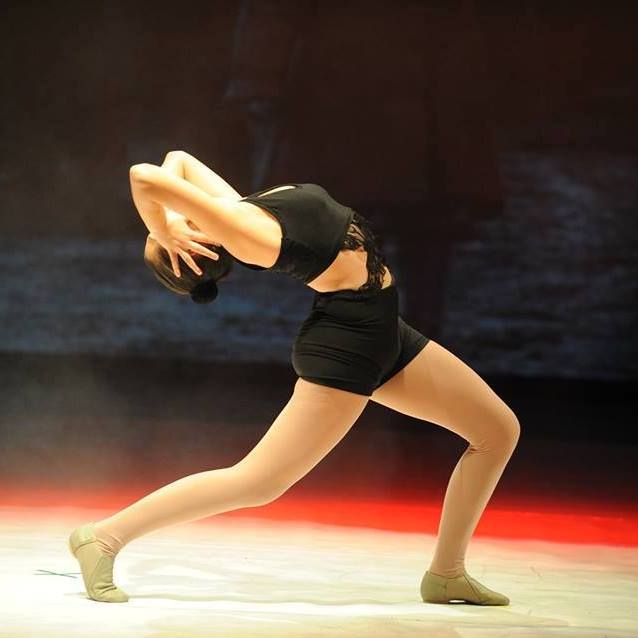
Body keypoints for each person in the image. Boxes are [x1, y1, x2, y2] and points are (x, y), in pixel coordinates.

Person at [68, 150, 519, 605]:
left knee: (497, 431)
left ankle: (447, 573)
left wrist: (163, 225)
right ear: (194, 248)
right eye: (164, 238)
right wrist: (164, 228)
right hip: (348, 346)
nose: (167, 222)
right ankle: (103, 537)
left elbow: (178, 161)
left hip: (382, 331)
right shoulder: (244, 233)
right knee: (256, 482)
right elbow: (143, 176)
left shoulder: (240, 210)